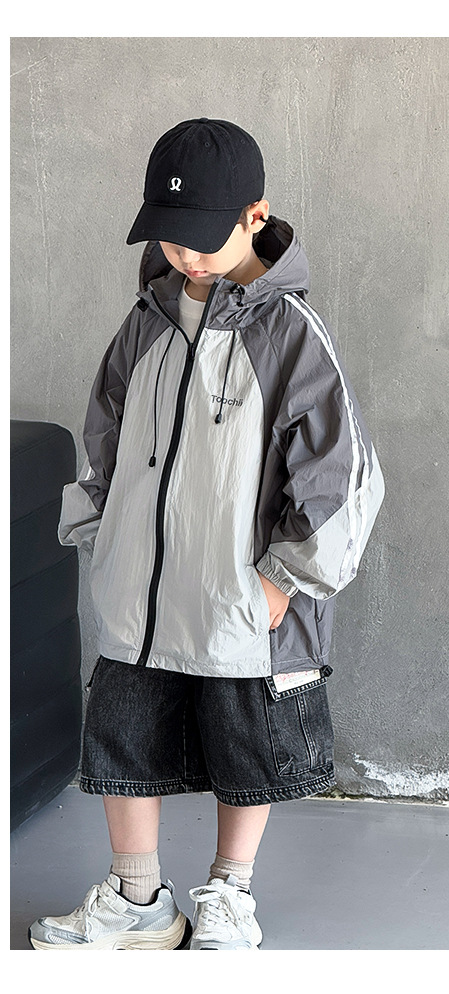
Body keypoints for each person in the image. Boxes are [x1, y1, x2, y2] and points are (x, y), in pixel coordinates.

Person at [29, 118, 385, 950]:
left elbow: (342, 475)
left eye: (203, 238)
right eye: (170, 237)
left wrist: (283, 580)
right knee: (123, 738)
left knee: (244, 748)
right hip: (142, 595)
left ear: (255, 216)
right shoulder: (147, 320)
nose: (186, 256)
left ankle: (230, 895)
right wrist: (102, 535)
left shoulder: (288, 333)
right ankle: (138, 901)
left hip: (240, 598)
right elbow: (105, 432)